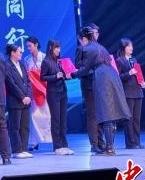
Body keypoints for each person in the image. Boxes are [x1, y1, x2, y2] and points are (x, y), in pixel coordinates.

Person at [74, 25, 131, 155]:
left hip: (102, 78)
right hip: (112, 76)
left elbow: (85, 69)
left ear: (84, 38)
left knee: (106, 113)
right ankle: (110, 146)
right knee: (111, 112)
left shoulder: (88, 48)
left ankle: (109, 148)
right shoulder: (100, 47)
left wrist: (73, 74)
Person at [75, 25, 105, 153]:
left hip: (99, 84)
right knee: (92, 115)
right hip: (88, 85)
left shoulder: (98, 48)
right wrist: (89, 65)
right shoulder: (82, 49)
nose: (96, 35)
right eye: (94, 33)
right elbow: (78, 65)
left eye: (97, 33)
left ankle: (101, 142)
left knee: (100, 115)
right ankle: (94, 144)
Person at [40, 39, 74, 155]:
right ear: (51, 48)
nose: (59, 50)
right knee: (56, 120)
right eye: (56, 48)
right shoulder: (46, 61)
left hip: (62, 91)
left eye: (59, 48)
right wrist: (55, 76)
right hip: (53, 93)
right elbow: (43, 77)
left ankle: (65, 145)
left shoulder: (59, 61)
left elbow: (63, 74)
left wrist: (67, 75)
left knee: (63, 120)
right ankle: (57, 146)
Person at [116, 38, 145, 149]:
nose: (131, 48)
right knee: (129, 119)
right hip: (128, 92)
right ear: (123, 47)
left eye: (131, 46)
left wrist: (142, 82)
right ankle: (130, 143)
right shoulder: (119, 60)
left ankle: (137, 141)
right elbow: (118, 77)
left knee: (137, 119)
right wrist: (129, 73)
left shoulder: (134, 59)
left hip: (138, 91)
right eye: (128, 46)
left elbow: (139, 74)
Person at [4, 44, 33, 159]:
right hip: (15, 101)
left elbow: (28, 81)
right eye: (19, 52)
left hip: (26, 101)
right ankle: (17, 150)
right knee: (15, 127)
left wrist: (28, 96)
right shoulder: (7, 65)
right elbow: (11, 84)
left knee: (25, 126)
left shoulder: (21, 65)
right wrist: (22, 97)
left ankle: (24, 149)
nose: (21, 53)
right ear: (12, 53)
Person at [23, 36, 52, 150]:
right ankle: (34, 142)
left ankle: (49, 139)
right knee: (33, 116)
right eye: (27, 46)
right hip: (33, 91)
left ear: (36, 45)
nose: (28, 48)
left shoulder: (45, 57)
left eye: (30, 46)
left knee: (47, 115)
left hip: (45, 90)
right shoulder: (26, 59)